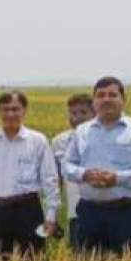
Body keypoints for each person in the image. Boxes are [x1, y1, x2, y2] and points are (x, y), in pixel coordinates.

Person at [61, 77, 131, 256]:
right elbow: (66, 165)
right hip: (89, 211)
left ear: (123, 100)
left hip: (126, 212)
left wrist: (117, 178)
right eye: (100, 95)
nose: (106, 99)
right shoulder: (82, 131)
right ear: (94, 102)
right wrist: (85, 174)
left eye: (112, 95)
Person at [0, 90, 60, 260]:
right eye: (5, 109)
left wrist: (51, 216)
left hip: (28, 210)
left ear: (24, 110)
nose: (10, 114)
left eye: (15, 109)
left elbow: (50, 180)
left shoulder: (38, 141)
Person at [51, 93, 95, 246]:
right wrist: (53, 216)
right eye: (73, 113)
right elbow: (56, 182)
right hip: (75, 211)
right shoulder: (59, 142)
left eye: (83, 112)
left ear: (94, 113)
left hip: (104, 208)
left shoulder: (105, 139)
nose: (77, 117)